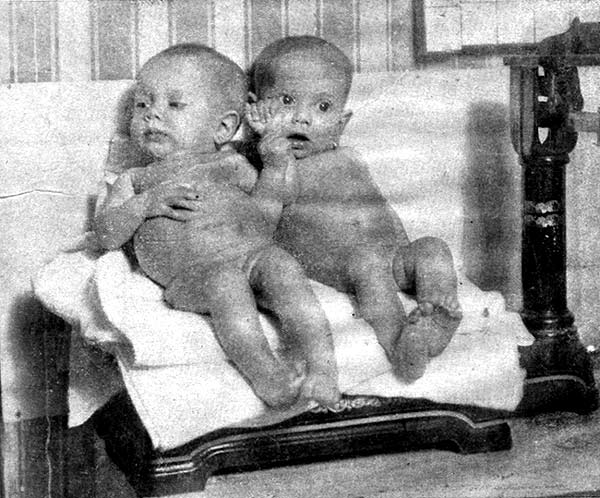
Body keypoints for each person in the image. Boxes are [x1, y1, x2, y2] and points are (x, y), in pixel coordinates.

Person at [94, 43, 339, 408]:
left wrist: (274, 163)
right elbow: (106, 235)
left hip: (252, 255)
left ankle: (323, 370)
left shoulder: (233, 164)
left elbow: (275, 205)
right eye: (142, 104)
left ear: (223, 127)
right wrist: (144, 205)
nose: (152, 114)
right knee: (225, 282)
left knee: (282, 266)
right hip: (193, 278)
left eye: (174, 104)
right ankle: (268, 376)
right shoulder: (137, 179)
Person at [247, 36, 462, 382]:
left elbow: (381, 207)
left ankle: (434, 320)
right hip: (344, 266)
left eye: (322, 107)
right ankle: (399, 345)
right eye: (287, 101)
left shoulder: (349, 157)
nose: (302, 118)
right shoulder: (277, 170)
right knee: (368, 267)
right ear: (254, 109)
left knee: (433, 248)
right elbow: (261, 219)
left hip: (391, 254)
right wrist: (271, 154)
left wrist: (407, 252)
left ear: (341, 123)